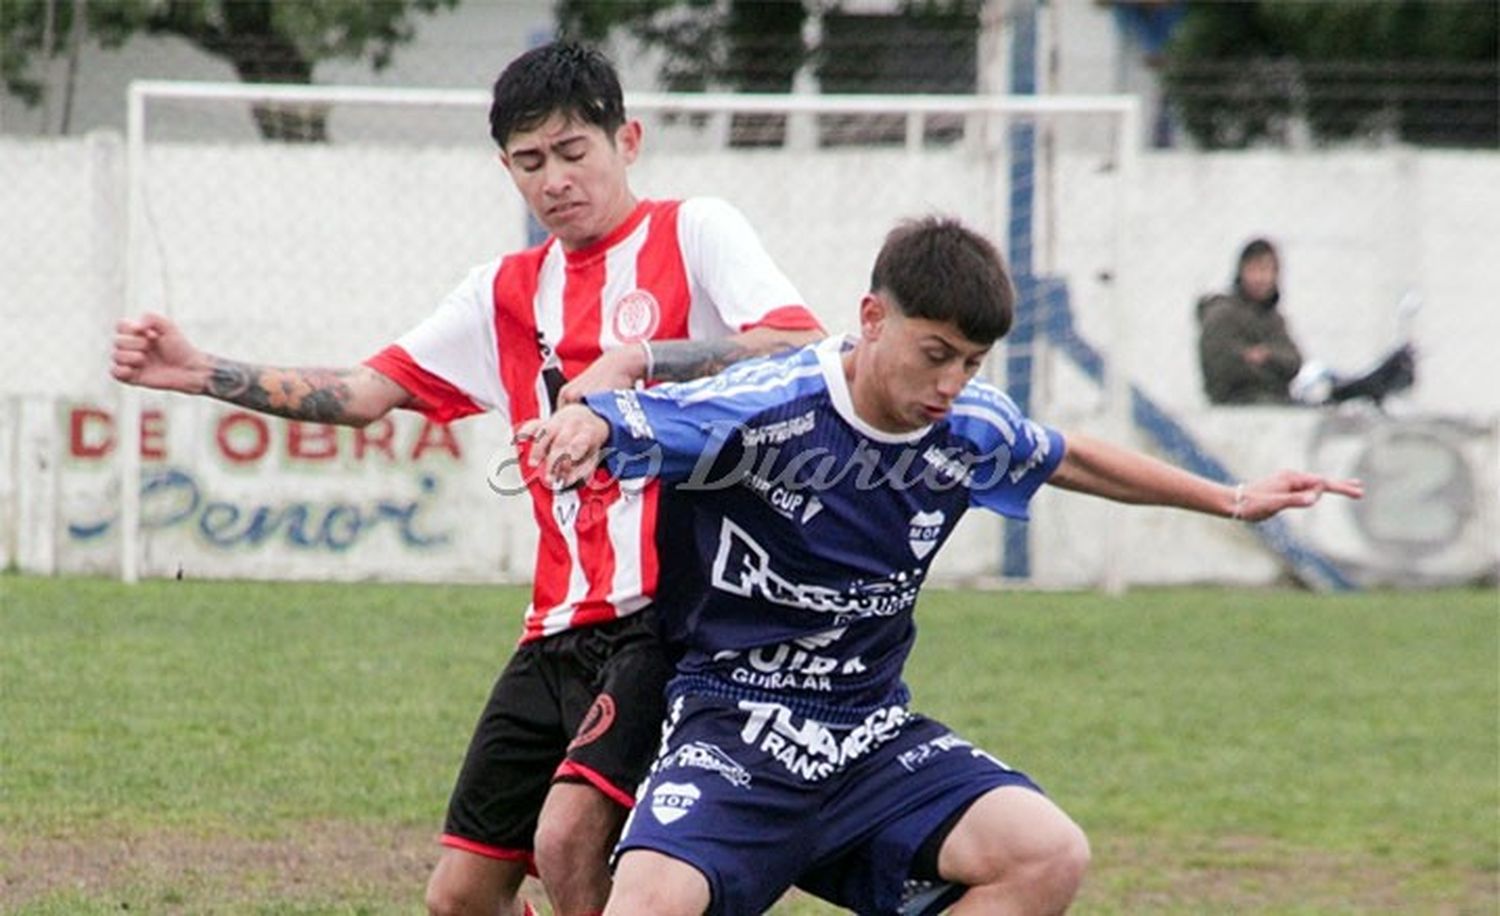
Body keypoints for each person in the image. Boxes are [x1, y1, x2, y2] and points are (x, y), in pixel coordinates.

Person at [109, 41, 823, 916]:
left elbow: (798, 347)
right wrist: (199, 371)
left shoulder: (695, 231)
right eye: (530, 162)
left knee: (567, 838)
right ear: (507, 169)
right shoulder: (505, 295)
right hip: (554, 632)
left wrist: (639, 359)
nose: (554, 179)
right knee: (460, 896)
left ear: (627, 140)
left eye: (573, 152)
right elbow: (365, 395)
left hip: (666, 624)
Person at [526, 217, 1363, 915]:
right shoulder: (773, 405)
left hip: (869, 735)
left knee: (1047, 855)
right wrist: (589, 424)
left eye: (971, 362)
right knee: (643, 905)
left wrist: (1230, 497)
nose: (953, 383)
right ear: (873, 318)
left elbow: (1072, 458)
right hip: (735, 728)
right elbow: (643, 415)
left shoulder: (969, 429)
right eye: (936, 354)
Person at [1197, 237, 1415, 406]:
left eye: (1268, 270)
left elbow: (1293, 361)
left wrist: (1266, 356)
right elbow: (1225, 369)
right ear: (1242, 271)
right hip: (1244, 406)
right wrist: (1270, 367)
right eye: (1255, 269)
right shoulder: (1222, 313)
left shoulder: (1272, 318)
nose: (1261, 278)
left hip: (1276, 401)